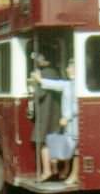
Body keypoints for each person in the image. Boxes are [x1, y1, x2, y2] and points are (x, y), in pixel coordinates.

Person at [32, 58, 79, 185]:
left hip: (75, 122)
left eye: (70, 67)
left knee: (76, 150)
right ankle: (66, 171)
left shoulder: (78, 85)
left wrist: (67, 117)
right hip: (69, 123)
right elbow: (56, 84)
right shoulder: (68, 84)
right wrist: (40, 79)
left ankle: (74, 175)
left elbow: (78, 105)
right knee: (72, 148)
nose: (67, 69)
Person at [30, 53, 61, 181]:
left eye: (39, 58)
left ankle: (47, 171)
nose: (37, 60)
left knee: (43, 143)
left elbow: (39, 94)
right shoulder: (55, 72)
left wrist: (34, 83)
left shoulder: (43, 73)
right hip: (56, 111)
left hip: (45, 112)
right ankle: (55, 169)